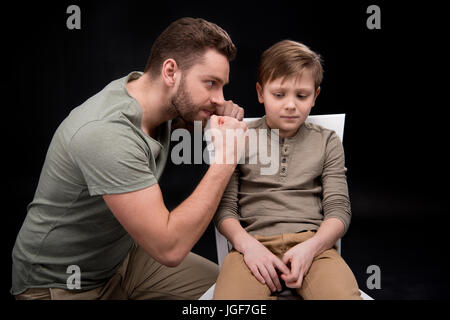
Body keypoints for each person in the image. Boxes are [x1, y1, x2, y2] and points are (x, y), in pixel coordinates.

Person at [12, 17, 248, 300]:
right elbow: (169, 248)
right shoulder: (107, 133)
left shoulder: (151, 93)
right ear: (171, 71)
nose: (220, 99)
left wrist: (219, 120)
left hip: (123, 258)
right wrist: (226, 158)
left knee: (235, 294)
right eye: (210, 83)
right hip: (62, 284)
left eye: (222, 86)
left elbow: (190, 119)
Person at [213, 40, 362, 300]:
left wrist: (313, 247)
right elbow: (225, 209)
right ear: (261, 93)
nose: (291, 105)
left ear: (315, 96)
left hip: (313, 248)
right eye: (279, 94)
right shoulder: (241, 138)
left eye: (301, 95)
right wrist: (248, 247)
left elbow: (339, 209)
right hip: (253, 247)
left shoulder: (327, 141)